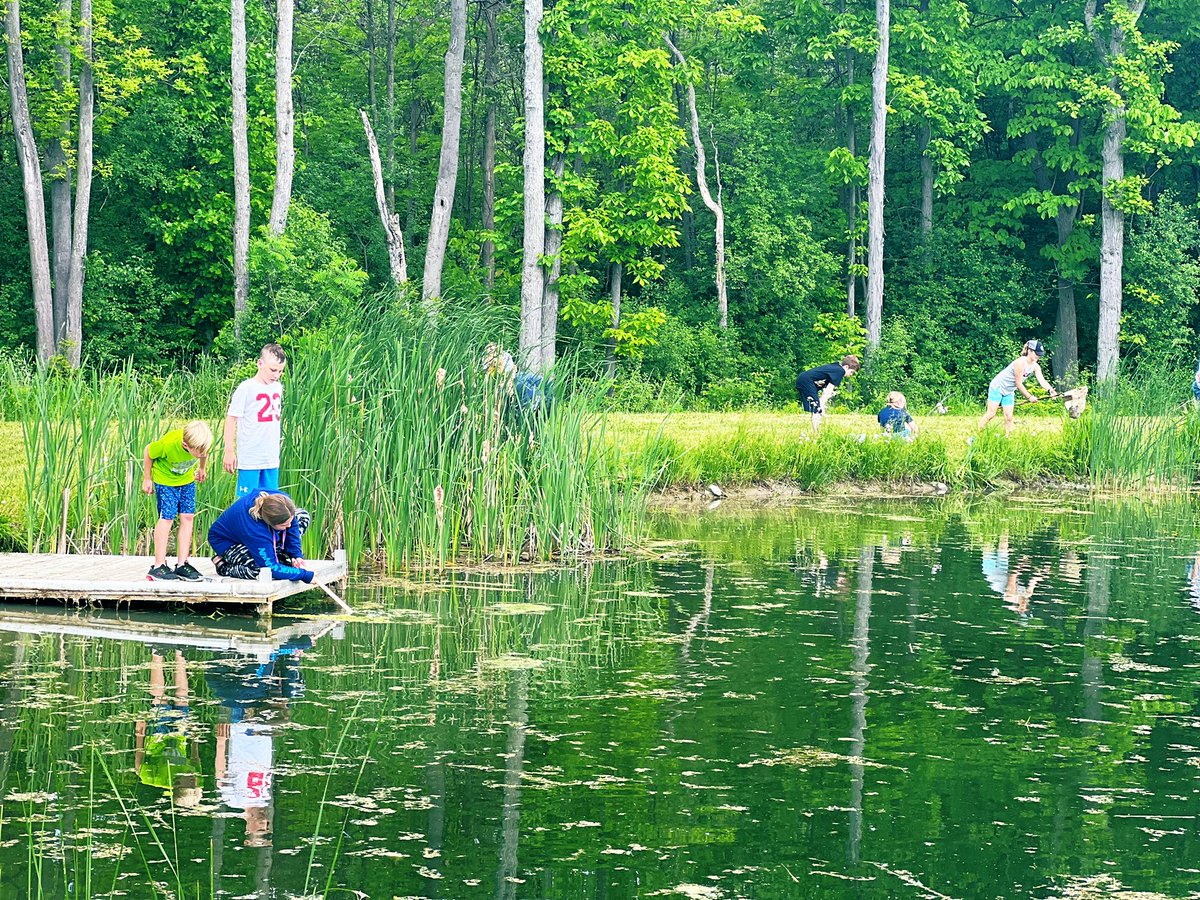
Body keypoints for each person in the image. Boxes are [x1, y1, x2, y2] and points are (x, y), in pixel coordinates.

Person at [143, 420, 213, 581]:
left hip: (186, 480)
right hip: (166, 481)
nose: (202, 453)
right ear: (185, 445)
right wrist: (147, 478)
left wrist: (202, 468)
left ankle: (182, 564)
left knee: (188, 516)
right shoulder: (168, 444)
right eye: (199, 451)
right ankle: (159, 565)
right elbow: (148, 452)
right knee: (167, 517)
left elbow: (204, 453)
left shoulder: (201, 442)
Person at [208, 490, 313, 582]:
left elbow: (293, 525)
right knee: (262, 571)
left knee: (302, 516)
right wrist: (304, 575)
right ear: (270, 523)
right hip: (228, 541)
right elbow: (270, 568)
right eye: (284, 525)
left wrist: (296, 555)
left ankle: (279, 552)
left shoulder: (283, 501)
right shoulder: (256, 531)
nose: (289, 526)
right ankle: (223, 566)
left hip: (258, 535)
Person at [224, 344, 286, 498]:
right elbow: (231, 419)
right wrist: (229, 451)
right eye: (273, 370)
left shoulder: (278, 388)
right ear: (260, 364)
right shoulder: (246, 388)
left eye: (280, 371)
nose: (276, 375)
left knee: (272, 503)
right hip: (251, 456)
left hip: (271, 458)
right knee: (246, 502)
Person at [979, 340, 1057, 436]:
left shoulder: (1035, 366)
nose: (1038, 356)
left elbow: (1042, 380)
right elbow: (1018, 383)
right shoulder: (1020, 363)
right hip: (998, 387)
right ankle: (979, 433)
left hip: (1009, 391)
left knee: (1009, 417)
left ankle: (1008, 438)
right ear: (1030, 351)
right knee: (991, 414)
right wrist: (1029, 397)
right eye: (1037, 354)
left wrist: (1050, 390)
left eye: (1040, 354)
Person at [795, 355, 861, 432]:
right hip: (806, 381)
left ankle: (817, 429)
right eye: (851, 372)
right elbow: (829, 390)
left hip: (803, 379)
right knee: (816, 408)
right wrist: (821, 405)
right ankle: (816, 433)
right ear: (846, 367)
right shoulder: (840, 371)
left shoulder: (836, 367)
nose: (851, 375)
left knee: (815, 406)